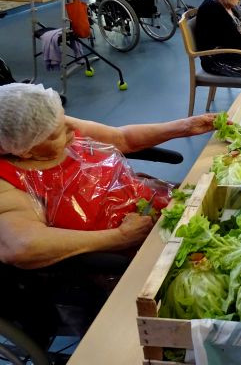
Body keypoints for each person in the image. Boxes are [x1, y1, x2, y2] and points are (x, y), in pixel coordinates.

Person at [0, 83, 222, 269]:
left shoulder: (55, 125)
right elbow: (22, 246)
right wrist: (120, 237)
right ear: (25, 150)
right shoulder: (8, 182)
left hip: (159, 207)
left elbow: (122, 138)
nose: (72, 127)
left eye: (65, 118)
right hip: (134, 251)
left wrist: (185, 126)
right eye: (59, 132)